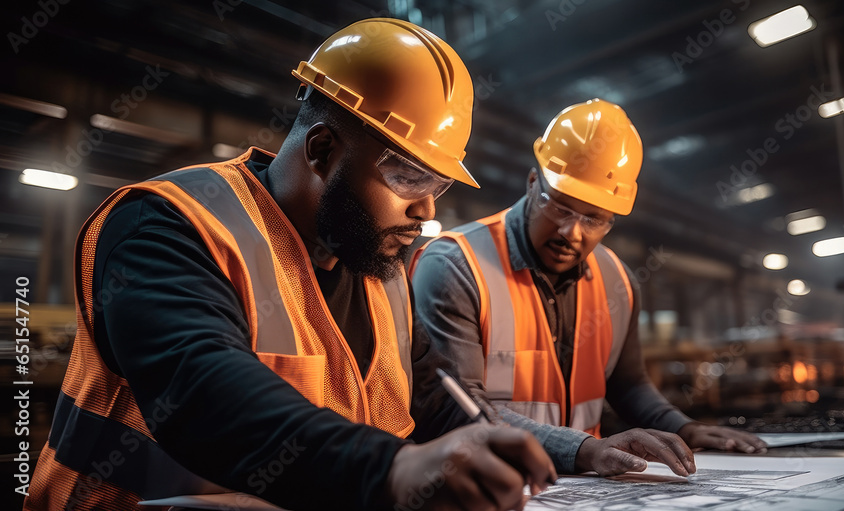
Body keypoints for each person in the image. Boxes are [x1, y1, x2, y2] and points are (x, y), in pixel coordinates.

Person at [24, 18, 554, 511]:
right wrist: (392, 468)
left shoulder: (376, 269)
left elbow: (434, 396)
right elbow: (201, 391)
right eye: (409, 178)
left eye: (437, 186)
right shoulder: (168, 225)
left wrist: (555, 455)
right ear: (321, 149)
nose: (428, 209)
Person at [409, 99, 766, 477]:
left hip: (580, 492)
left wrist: (682, 428)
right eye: (559, 207)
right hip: (484, 483)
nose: (571, 233)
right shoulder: (456, 266)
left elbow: (628, 385)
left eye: (594, 219)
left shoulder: (618, 282)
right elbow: (458, 406)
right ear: (533, 183)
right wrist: (583, 449)